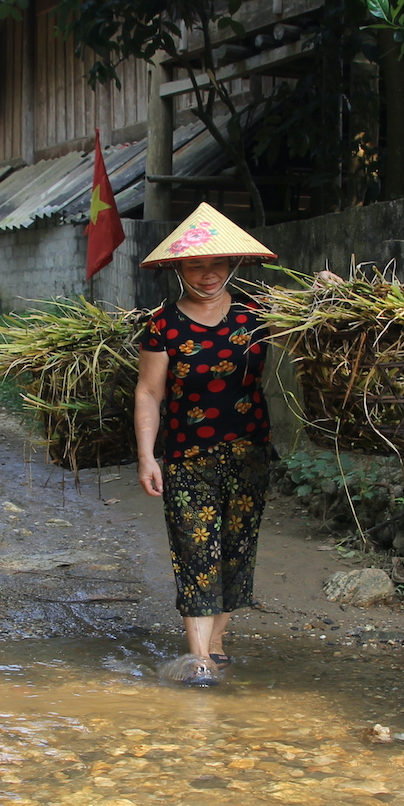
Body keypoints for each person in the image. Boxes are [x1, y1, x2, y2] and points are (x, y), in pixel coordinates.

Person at [132, 203, 279, 686]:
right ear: (179, 267)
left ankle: (216, 640)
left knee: (237, 550)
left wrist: (331, 291)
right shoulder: (162, 324)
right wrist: (146, 456)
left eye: (217, 264)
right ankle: (198, 657)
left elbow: (321, 326)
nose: (208, 274)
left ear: (231, 265)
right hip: (186, 457)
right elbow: (150, 392)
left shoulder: (256, 314)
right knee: (195, 551)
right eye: (196, 264)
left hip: (249, 453)